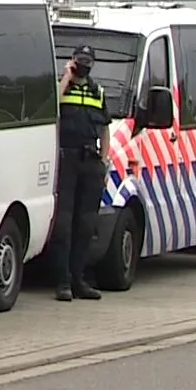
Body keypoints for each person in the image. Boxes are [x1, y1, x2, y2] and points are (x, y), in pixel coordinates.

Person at [49, 45, 110, 303]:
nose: (82, 65)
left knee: (85, 226)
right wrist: (66, 77)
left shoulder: (98, 92)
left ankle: (78, 279)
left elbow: (105, 128)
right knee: (63, 225)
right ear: (72, 61)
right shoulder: (62, 87)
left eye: (86, 62)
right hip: (67, 159)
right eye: (79, 61)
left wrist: (105, 161)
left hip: (90, 162)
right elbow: (53, 108)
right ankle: (62, 282)